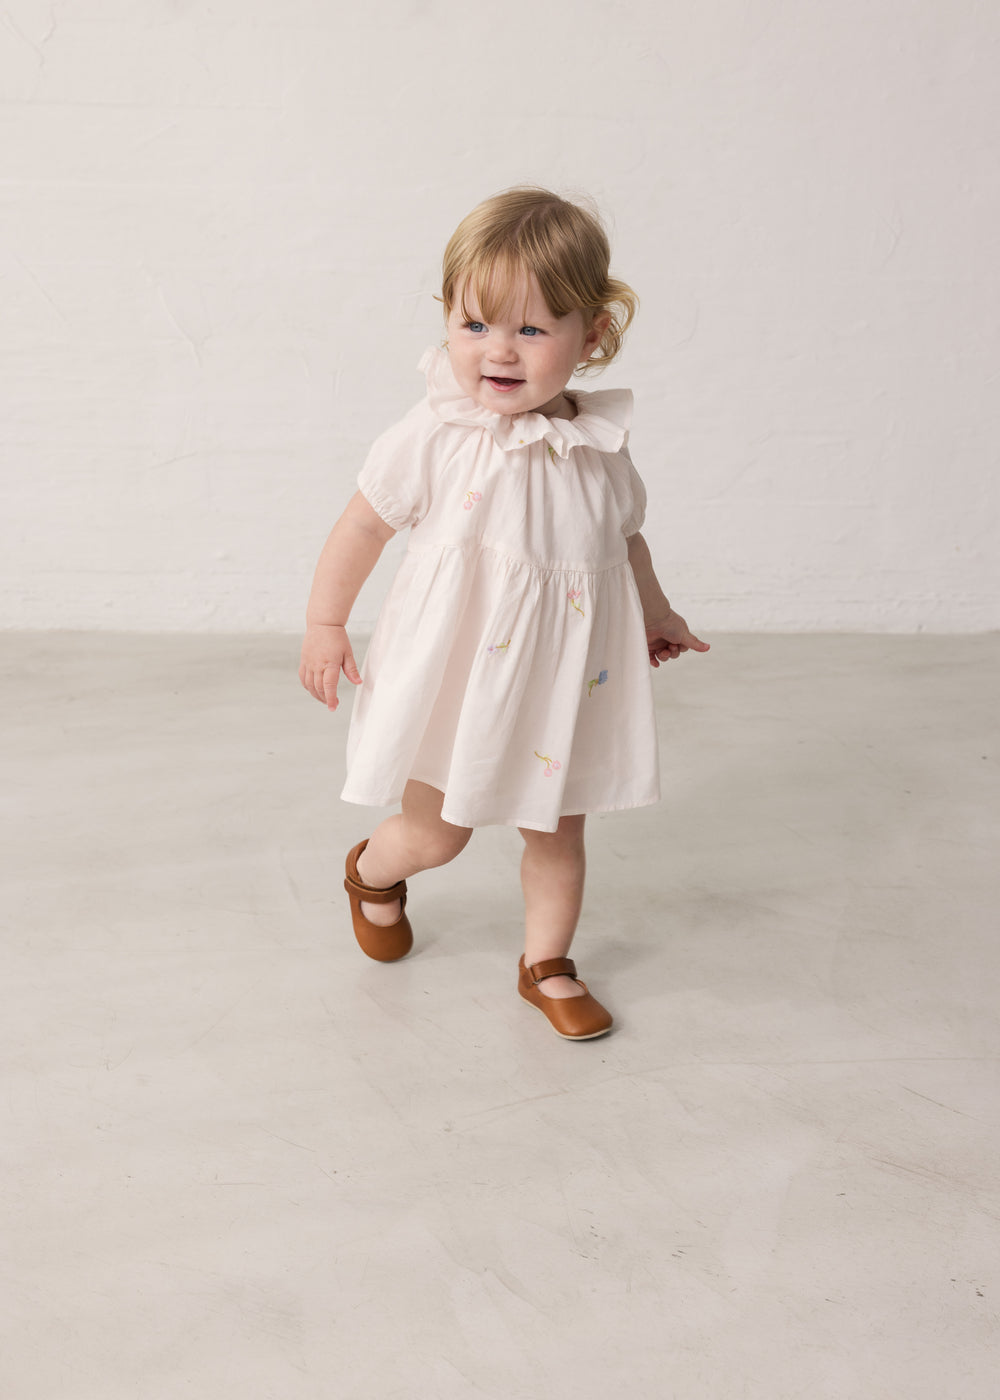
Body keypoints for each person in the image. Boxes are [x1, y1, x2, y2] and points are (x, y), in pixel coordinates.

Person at [299, 187, 709, 1040]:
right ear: (446, 319)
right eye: (475, 324)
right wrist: (326, 623)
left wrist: (659, 615)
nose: (499, 351)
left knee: (556, 832)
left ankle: (547, 962)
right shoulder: (436, 434)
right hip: (458, 677)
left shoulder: (598, 449)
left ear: (590, 335)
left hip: (564, 680)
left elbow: (624, 541)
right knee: (437, 832)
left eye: (531, 330)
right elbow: (365, 522)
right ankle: (375, 872)